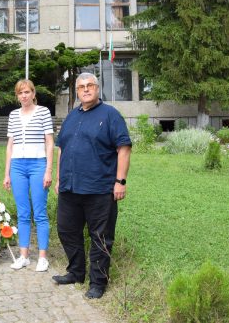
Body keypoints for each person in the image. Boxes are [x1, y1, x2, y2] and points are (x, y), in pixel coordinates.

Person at [52, 72, 131, 299]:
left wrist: (120, 181)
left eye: (90, 86)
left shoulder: (110, 115)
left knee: (101, 237)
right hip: (70, 187)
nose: (85, 90)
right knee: (66, 230)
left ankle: (98, 283)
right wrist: (59, 179)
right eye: (81, 87)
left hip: (100, 188)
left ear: (98, 89)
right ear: (77, 92)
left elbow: (123, 148)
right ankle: (76, 272)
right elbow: (62, 149)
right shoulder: (71, 117)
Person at [2, 79, 54, 272]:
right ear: (17, 96)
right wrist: (7, 173)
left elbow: (49, 142)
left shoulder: (43, 112)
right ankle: (24, 255)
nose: (24, 96)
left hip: (38, 164)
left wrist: (48, 170)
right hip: (17, 166)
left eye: (27, 92)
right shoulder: (14, 115)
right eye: (20, 93)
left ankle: (42, 257)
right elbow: (10, 145)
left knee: (39, 212)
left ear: (33, 93)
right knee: (23, 213)